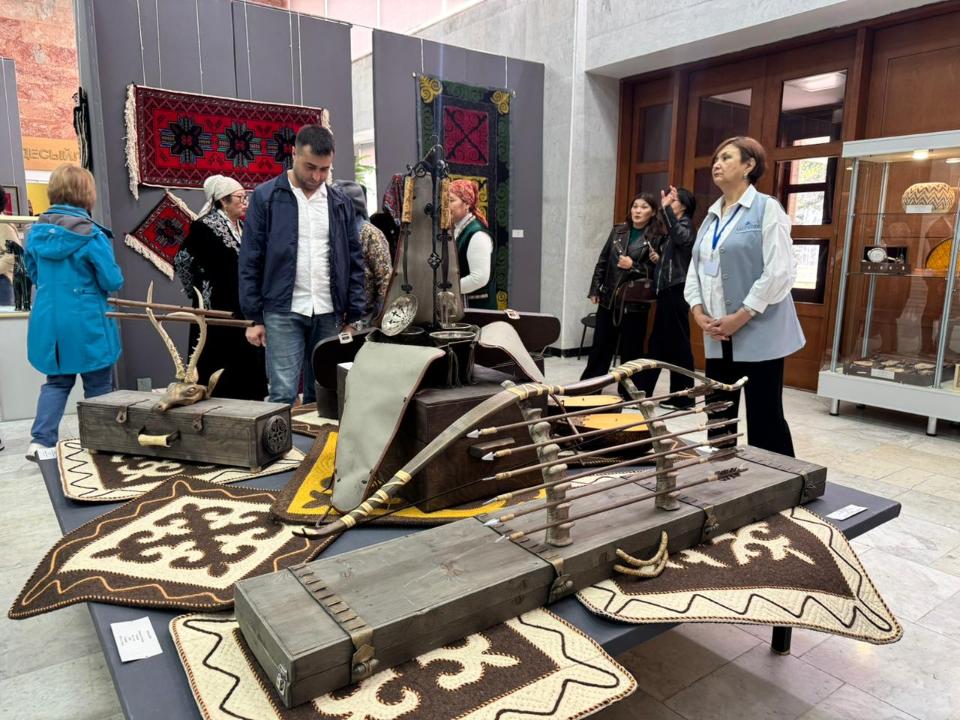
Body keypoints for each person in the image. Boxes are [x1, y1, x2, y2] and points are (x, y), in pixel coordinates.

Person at [684, 136, 804, 456]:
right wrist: (697, 311)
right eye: (716, 159)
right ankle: (724, 477)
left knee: (765, 418)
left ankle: (779, 479)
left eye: (726, 158)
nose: (717, 164)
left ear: (749, 165)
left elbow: (779, 271)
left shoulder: (767, 208)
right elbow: (696, 269)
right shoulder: (712, 215)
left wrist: (741, 315)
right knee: (718, 416)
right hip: (718, 332)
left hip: (758, 329)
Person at [238, 124, 364, 406]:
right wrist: (254, 318)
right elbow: (250, 259)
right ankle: (278, 438)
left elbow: (355, 261)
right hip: (282, 311)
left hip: (329, 312)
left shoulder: (340, 202)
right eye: (310, 167)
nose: (316, 176)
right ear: (294, 154)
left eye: (324, 169)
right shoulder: (266, 197)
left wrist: (353, 316)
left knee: (325, 394)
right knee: (282, 394)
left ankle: (317, 438)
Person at [24, 164, 123, 460]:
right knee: (98, 383)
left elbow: (34, 274)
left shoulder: (34, 234)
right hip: (87, 319)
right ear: (86, 193)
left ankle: (41, 442)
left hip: (49, 319)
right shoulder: (91, 235)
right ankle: (101, 440)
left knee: (56, 382)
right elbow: (112, 280)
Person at [174, 175, 267, 401]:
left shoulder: (243, 227)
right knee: (220, 359)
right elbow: (182, 260)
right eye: (240, 198)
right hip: (217, 306)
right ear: (223, 201)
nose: (245, 202)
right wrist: (196, 291)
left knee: (247, 356)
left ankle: (250, 403)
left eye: (246, 197)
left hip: (244, 304)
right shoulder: (204, 227)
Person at [581, 192, 661, 389]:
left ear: (653, 212)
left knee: (631, 350)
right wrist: (595, 289)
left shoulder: (657, 237)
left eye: (644, 207)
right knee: (600, 347)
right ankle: (590, 388)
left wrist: (633, 266)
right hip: (609, 298)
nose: (638, 211)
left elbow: (657, 272)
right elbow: (603, 260)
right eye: (635, 206)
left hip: (634, 303)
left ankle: (628, 391)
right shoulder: (618, 230)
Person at [636, 186, 697, 409]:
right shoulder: (675, 227)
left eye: (674, 200)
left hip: (676, 291)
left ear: (684, 206)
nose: (670, 202)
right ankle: (644, 394)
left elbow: (682, 239)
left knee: (678, 345)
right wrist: (659, 259)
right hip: (667, 290)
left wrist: (665, 209)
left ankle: (684, 398)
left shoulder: (685, 225)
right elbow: (675, 258)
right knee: (658, 344)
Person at [333, 180, 392, 323]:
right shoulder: (332, 230)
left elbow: (385, 279)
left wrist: (379, 318)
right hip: (334, 317)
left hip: (364, 317)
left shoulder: (369, 233)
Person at [449, 178, 497, 309]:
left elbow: (478, 279)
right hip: (463, 307)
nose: (445, 206)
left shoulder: (477, 234)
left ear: (466, 204)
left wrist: (446, 288)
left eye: (451, 200)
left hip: (477, 309)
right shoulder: (458, 229)